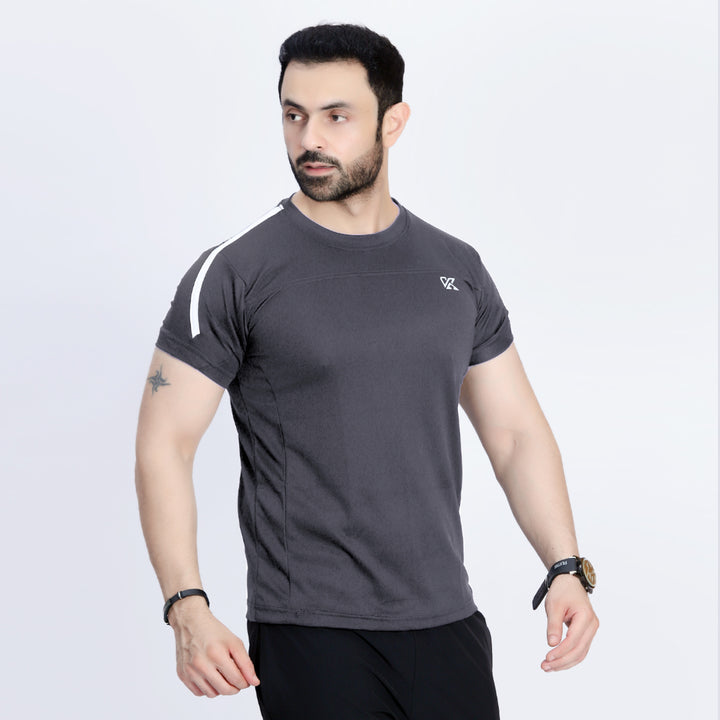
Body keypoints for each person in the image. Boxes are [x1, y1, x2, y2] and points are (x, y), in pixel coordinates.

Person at [135, 23, 599, 719]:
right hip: (312, 632)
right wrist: (186, 605)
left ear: (393, 122)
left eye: (336, 116)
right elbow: (163, 444)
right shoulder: (234, 273)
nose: (309, 139)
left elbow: (514, 434)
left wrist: (565, 566)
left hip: (448, 623)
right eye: (293, 115)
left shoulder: (456, 268)